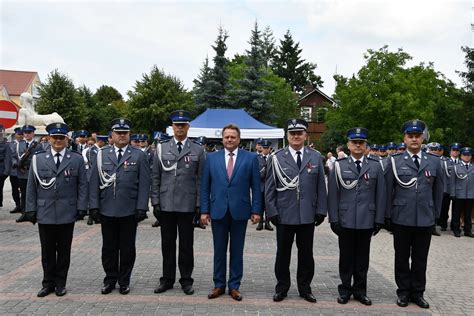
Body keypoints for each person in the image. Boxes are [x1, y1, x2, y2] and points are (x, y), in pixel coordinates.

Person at [265, 119, 327, 303]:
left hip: (307, 214)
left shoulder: (315, 157)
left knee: (306, 255)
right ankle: (282, 287)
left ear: (306, 135)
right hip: (284, 214)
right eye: (292, 133)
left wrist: (321, 210)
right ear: (287, 136)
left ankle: (305, 288)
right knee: (282, 254)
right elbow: (269, 188)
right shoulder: (276, 157)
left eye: (300, 133)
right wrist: (272, 211)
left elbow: (320, 188)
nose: (296, 136)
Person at [24, 122, 88, 297]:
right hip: (45, 212)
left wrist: (82, 207)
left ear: (67, 139)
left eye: (61, 138)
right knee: (47, 250)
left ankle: (60, 283)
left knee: (64, 251)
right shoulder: (38, 158)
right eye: (55, 137)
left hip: (67, 212)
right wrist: (30, 209)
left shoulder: (76, 158)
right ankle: (47, 283)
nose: (58, 140)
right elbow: (31, 186)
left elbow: (82, 185)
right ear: (49, 138)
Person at [385, 119, 443, 309]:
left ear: (422, 138)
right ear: (405, 138)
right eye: (410, 136)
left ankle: (418, 293)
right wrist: (387, 217)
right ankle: (403, 292)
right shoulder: (395, 161)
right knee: (401, 258)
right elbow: (388, 191)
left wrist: (436, 216)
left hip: (425, 217)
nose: (414, 139)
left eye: (417, 136)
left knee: (420, 258)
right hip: (401, 216)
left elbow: (438, 191)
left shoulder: (434, 161)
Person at [200, 123, 262, 301]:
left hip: (240, 211)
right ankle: (218, 284)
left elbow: (256, 187)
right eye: (226, 137)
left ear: (239, 139)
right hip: (218, 210)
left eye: (233, 137)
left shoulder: (250, 158)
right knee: (219, 250)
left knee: (237, 251)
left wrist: (256, 210)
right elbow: (205, 187)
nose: (229, 139)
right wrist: (204, 210)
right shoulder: (211, 158)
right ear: (222, 139)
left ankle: (234, 286)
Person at [89, 118, 150, 295]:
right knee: (108, 248)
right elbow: (93, 182)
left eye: (125, 133)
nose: (122, 136)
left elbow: (144, 184)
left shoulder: (139, 155)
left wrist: (141, 208)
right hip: (107, 209)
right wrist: (93, 207)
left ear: (129, 135)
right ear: (112, 135)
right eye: (118, 133)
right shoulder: (101, 154)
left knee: (127, 248)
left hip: (129, 210)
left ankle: (124, 280)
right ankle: (110, 279)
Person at [328, 127, 386, 306]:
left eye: (361, 143)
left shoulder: (376, 165)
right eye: (355, 142)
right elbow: (333, 195)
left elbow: (381, 194)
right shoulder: (339, 165)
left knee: (362, 258)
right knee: (345, 258)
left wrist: (378, 220)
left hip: (366, 220)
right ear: (348, 144)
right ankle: (345, 290)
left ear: (366, 145)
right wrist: (334, 219)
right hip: (345, 219)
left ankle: (360, 291)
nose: (358, 145)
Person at [151, 110, 205, 296]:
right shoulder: (161, 148)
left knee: (186, 245)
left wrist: (199, 204)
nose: (180, 128)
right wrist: (155, 202)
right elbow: (155, 177)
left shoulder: (198, 149)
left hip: (187, 204)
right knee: (167, 244)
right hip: (166, 204)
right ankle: (167, 279)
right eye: (177, 125)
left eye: (183, 125)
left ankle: (186, 280)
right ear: (172, 127)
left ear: (188, 127)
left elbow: (200, 179)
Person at [15, 125, 42, 222]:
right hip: (22, 172)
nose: (26, 134)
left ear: (33, 133)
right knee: (23, 193)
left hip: (33, 172)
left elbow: (40, 159)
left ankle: (33, 212)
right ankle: (24, 213)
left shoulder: (38, 145)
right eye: (25, 132)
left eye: (29, 132)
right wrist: (16, 164)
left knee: (33, 192)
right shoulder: (19, 144)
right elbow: (14, 156)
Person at [450, 147, 473, 238]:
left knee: (468, 214)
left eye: (469, 155)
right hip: (459, 194)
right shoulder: (456, 167)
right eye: (465, 155)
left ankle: (468, 230)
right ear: (461, 156)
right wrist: (452, 194)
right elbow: (452, 182)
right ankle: (456, 230)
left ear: (471, 156)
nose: (467, 157)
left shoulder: (473, 167)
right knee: (457, 213)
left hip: (470, 194)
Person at [256, 139, 273, 231]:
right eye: (264, 148)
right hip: (261, 185)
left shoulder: (273, 158)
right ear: (261, 148)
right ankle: (260, 222)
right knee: (260, 205)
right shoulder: (257, 158)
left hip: (270, 186)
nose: (265, 150)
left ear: (270, 148)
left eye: (267, 148)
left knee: (269, 205)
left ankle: (268, 222)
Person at [8, 127, 23, 214]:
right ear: (15, 135)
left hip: (23, 172)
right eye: (19, 134)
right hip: (13, 171)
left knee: (23, 189)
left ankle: (23, 206)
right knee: (14, 190)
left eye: (22, 134)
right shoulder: (10, 144)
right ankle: (17, 205)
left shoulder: (26, 144)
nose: (20, 136)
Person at [0, 124, 12, 208]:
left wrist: (6, 172)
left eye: (1, 132)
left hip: (1, 169)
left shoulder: (6, 144)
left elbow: (8, 158)